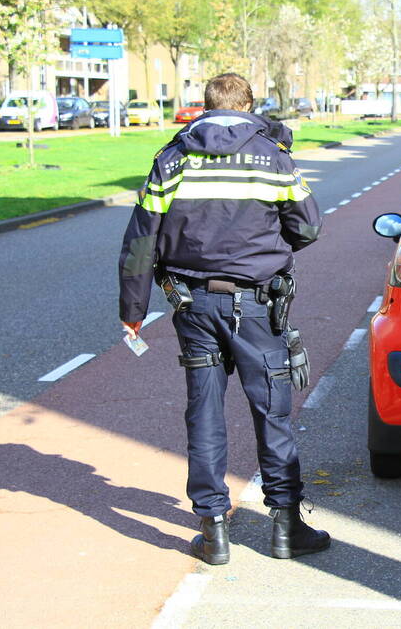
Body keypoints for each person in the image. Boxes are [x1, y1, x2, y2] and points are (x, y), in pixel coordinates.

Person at [118, 72, 330, 564]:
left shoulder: (172, 158)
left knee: (204, 413)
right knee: (272, 412)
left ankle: (213, 532)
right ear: (250, 105)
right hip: (257, 306)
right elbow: (309, 225)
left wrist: (132, 310)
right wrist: (269, 252)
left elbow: (140, 240)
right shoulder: (272, 156)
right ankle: (285, 528)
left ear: (205, 106)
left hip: (191, 306)